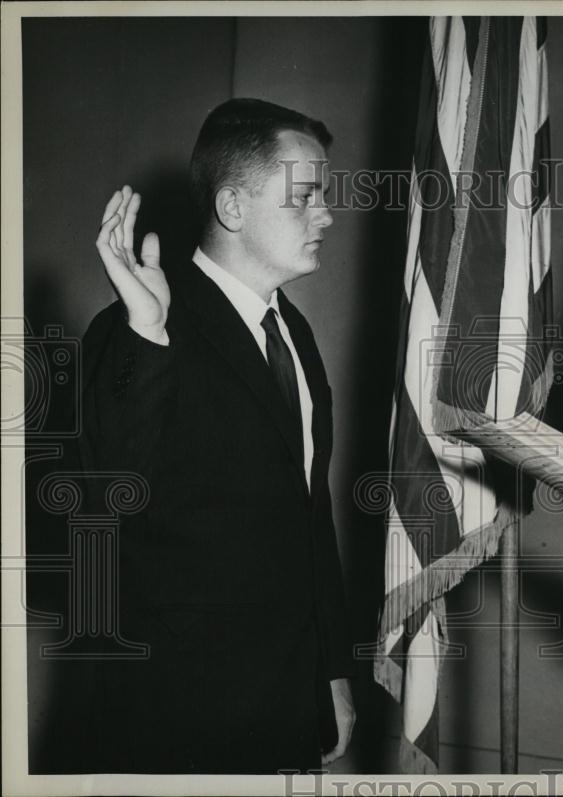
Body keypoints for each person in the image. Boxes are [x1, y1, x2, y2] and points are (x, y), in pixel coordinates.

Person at [79, 98, 355, 773]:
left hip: (289, 707)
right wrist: (146, 331)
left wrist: (332, 673)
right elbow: (109, 491)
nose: (325, 213)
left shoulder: (296, 335)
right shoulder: (139, 325)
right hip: (180, 719)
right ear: (232, 208)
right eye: (304, 196)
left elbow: (310, 516)